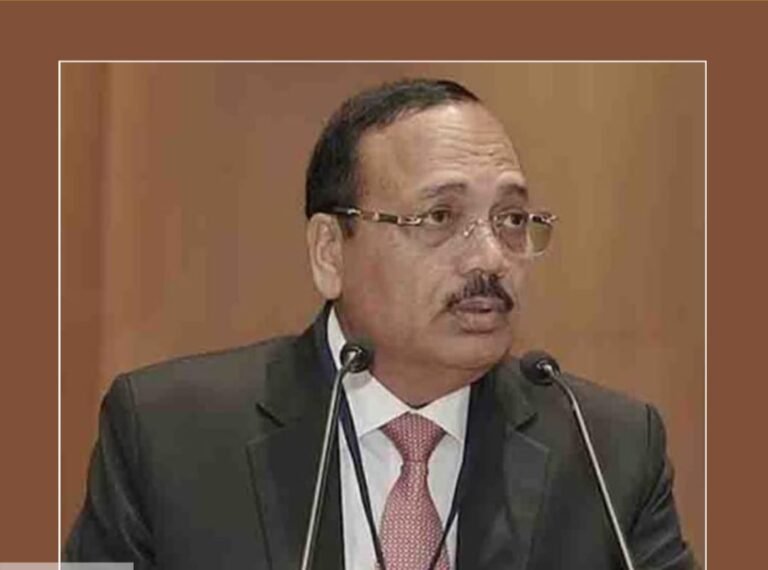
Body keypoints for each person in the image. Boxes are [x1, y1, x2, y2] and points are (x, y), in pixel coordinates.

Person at [65, 78, 696, 569]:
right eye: (440, 217)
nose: (490, 258)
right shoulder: (168, 435)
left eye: (510, 220)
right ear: (329, 252)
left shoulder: (606, 452)